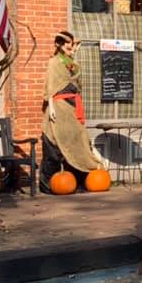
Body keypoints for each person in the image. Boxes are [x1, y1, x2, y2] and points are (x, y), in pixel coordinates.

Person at [40, 31, 100, 193]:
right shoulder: (54, 62)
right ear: (59, 46)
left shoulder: (70, 63)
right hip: (59, 107)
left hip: (72, 107)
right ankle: (50, 184)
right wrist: (51, 107)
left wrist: (75, 52)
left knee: (77, 139)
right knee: (56, 142)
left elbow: (76, 79)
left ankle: (79, 177)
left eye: (72, 46)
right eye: (68, 46)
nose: (71, 48)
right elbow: (50, 86)